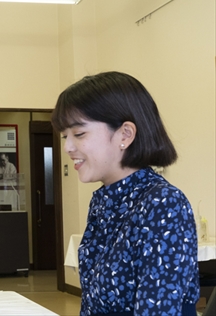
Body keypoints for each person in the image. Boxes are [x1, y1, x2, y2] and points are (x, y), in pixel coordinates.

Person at [51, 71, 199, 315]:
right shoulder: (104, 200)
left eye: (79, 134)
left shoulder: (162, 203)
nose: (67, 147)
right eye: (65, 136)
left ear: (125, 134)